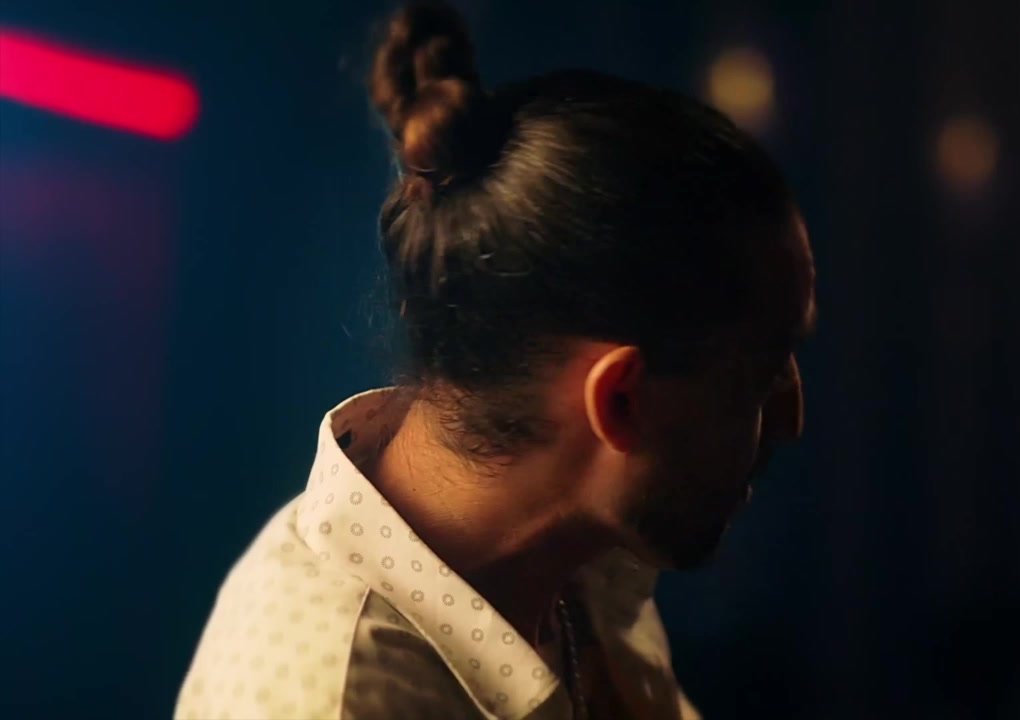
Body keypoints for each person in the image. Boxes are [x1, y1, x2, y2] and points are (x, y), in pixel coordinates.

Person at [175, 1, 816, 718]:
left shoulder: (578, 568)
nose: (792, 416)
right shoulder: (336, 700)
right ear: (619, 401)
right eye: (760, 370)